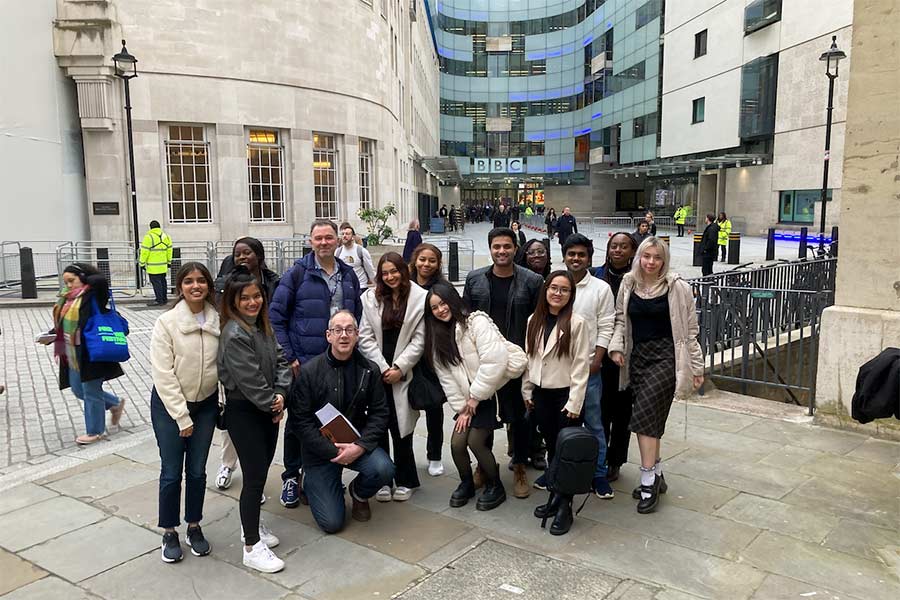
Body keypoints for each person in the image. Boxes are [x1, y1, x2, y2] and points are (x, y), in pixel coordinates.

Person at [270, 219, 362, 509]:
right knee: (298, 423)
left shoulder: (348, 275)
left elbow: (355, 316)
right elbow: (276, 318)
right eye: (318, 238)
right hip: (305, 365)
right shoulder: (296, 274)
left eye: (328, 237)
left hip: (339, 363)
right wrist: (290, 356)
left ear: (338, 240)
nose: (323, 242)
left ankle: (319, 473)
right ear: (310, 241)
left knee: (331, 419)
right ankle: (291, 475)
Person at [608, 237, 704, 514]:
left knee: (644, 418)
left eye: (657, 257)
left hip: (667, 358)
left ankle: (648, 479)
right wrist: (616, 348)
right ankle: (657, 473)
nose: (651, 262)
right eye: (646, 256)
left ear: (665, 260)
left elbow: (690, 332)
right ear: (639, 257)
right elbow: (619, 321)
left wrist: (696, 368)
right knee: (648, 418)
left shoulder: (678, 288)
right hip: (637, 358)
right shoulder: (628, 284)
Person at [288, 310, 395, 533]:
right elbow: (300, 421)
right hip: (320, 451)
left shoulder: (369, 370)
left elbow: (380, 414)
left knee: (384, 469)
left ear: (357, 335)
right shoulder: (309, 372)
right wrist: (330, 451)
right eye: (338, 330)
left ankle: (358, 493)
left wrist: (359, 447)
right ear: (328, 335)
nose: (343, 336)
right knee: (332, 523)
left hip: (355, 444)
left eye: (349, 330)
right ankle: (312, 481)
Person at [218, 269, 292, 572]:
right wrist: (271, 402)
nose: (252, 302)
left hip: (267, 410)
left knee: (259, 474)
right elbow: (248, 379)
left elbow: (282, 362)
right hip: (245, 413)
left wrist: (281, 394)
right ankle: (250, 545)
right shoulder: (234, 334)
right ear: (233, 302)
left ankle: (253, 526)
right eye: (245, 298)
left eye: (256, 296)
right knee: (254, 480)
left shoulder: (262, 327)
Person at [464, 227, 543, 498]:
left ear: (515, 249)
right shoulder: (475, 279)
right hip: (485, 363)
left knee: (520, 418)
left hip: (517, 361)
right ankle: (483, 467)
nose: (502, 251)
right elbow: (466, 322)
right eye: (497, 246)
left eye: (507, 247)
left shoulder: (532, 281)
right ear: (490, 249)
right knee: (484, 415)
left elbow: (538, 323)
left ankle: (520, 465)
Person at [150, 262, 220, 563]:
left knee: (197, 470)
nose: (196, 286)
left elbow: (224, 366)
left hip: (205, 405)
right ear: (180, 287)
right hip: (170, 407)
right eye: (189, 281)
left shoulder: (218, 319)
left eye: (201, 281)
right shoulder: (167, 323)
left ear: (208, 285)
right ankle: (169, 530)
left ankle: (194, 525)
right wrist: (181, 416)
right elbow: (162, 374)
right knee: (170, 471)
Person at [425, 283, 511, 510]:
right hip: (467, 402)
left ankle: (495, 485)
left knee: (475, 442)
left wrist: (475, 398)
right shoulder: (437, 336)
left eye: (443, 303)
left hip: (490, 394)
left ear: (453, 300)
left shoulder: (476, 323)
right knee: (456, 444)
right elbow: (447, 379)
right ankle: (466, 483)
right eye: (434, 308)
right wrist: (462, 408)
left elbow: (495, 361)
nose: (440, 310)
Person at [522, 270, 591, 534]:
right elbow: (530, 360)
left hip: (565, 397)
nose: (557, 293)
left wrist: (575, 403)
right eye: (553, 288)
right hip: (541, 395)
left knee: (567, 453)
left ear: (571, 295)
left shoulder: (577, 323)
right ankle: (555, 495)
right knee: (552, 448)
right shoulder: (534, 320)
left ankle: (565, 506)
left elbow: (581, 365)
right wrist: (527, 392)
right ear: (546, 290)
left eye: (564, 289)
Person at [358, 252, 427, 502]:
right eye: (385, 273)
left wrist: (399, 367)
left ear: (403, 271)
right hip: (377, 374)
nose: (390, 277)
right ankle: (384, 480)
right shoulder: (370, 298)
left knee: (402, 429)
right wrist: (383, 368)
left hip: (403, 373)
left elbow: (420, 339)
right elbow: (364, 337)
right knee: (378, 426)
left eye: (394, 271)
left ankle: (407, 479)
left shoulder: (419, 298)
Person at [213, 237, 280, 495]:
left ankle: (255, 477)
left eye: (247, 252)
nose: (242, 257)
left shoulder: (272, 281)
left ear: (259, 255)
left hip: (264, 347)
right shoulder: (224, 282)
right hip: (238, 360)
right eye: (237, 253)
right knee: (235, 426)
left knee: (259, 443)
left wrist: (278, 397)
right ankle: (228, 465)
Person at [559, 234, 615, 498]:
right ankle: (558, 470)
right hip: (559, 370)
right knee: (559, 424)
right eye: (571, 254)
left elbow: (607, 326)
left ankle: (599, 474)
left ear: (589, 257)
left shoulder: (601, 289)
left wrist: (598, 359)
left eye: (581, 254)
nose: (576, 259)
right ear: (564, 256)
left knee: (594, 423)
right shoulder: (556, 285)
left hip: (589, 369)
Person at [50, 263, 125, 445]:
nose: (68, 285)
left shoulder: (93, 294)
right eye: (65, 281)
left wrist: (84, 276)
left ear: (83, 278)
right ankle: (115, 403)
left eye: (71, 280)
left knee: (91, 391)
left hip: (91, 351)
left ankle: (95, 432)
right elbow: (64, 323)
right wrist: (51, 334)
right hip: (71, 352)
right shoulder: (66, 299)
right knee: (77, 389)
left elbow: (99, 281)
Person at [594, 232, 638, 481]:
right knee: (599, 411)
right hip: (599, 352)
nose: (618, 250)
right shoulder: (596, 275)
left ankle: (616, 459)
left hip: (626, 355)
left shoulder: (639, 279)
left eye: (624, 246)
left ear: (632, 251)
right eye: (614, 246)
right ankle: (598, 456)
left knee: (622, 412)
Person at [409, 243, 449, 476]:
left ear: (438, 263)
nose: (426, 264)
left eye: (432, 260)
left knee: (435, 407)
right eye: (422, 259)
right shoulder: (405, 285)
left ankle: (434, 455)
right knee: (405, 408)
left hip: (433, 353)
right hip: (408, 352)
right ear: (415, 260)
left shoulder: (442, 288)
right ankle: (405, 455)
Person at [140, 219, 173, 306]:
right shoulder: (166, 236)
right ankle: (164, 299)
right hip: (163, 265)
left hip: (153, 266)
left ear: (150, 227)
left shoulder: (149, 237)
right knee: (163, 282)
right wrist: (169, 261)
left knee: (156, 283)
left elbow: (144, 252)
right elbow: (169, 250)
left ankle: (159, 300)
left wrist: (141, 263)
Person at [336, 222, 376, 291]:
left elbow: (370, 270)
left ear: (353, 237)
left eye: (347, 234)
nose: (344, 236)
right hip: (345, 287)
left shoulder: (361, 251)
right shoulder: (337, 252)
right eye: (342, 234)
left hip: (361, 286)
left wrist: (376, 285)